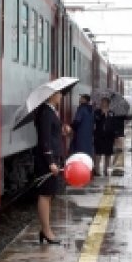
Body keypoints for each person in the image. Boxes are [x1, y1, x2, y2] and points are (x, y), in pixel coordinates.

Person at [32, 91, 64, 245]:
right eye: (58, 93)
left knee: (49, 194)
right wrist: (51, 161)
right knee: (45, 195)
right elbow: (44, 140)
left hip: (51, 159)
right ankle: (45, 231)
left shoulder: (50, 111)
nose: (61, 96)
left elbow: (52, 135)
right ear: (51, 95)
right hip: (46, 161)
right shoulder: (46, 112)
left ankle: (46, 229)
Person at [93, 97, 116, 178]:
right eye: (102, 102)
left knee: (108, 154)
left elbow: (113, 124)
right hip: (99, 135)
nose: (103, 103)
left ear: (108, 103)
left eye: (105, 102)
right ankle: (97, 170)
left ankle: (106, 170)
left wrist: (115, 136)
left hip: (109, 136)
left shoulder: (112, 113)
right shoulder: (97, 112)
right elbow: (96, 120)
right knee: (98, 154)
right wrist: (103, 114)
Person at [69, 94, 94, 158]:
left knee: (78, 153)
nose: (79, 100)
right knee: (86, 154)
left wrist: (71, 127)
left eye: (81, 98)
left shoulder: (81, 108)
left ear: (85, 100)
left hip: (80, 135)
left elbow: (77, 120)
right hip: (88, 136)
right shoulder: (91, 110)